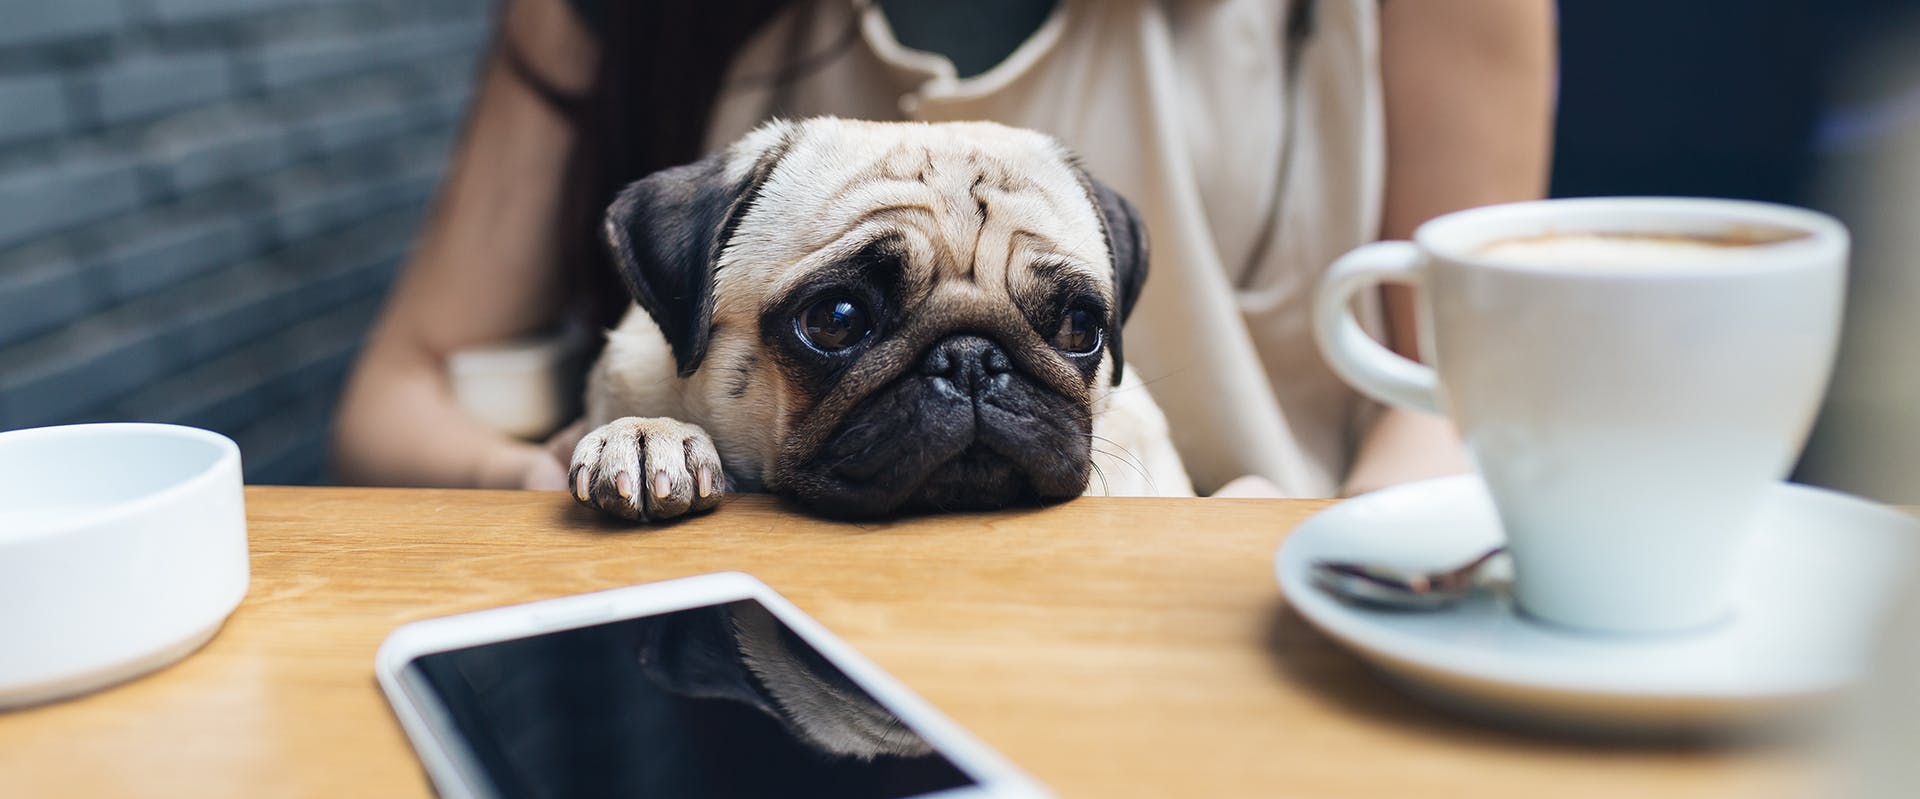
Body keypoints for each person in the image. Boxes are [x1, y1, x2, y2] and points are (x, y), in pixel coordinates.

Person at [331, 0, 1555, 498]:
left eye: (1065, 326)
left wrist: (1320, 593)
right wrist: (551, 482)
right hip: (757, 657)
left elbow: (1460, 383)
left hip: (1239, 616)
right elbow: (401, 390)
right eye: (842, 322)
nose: (970, 377)